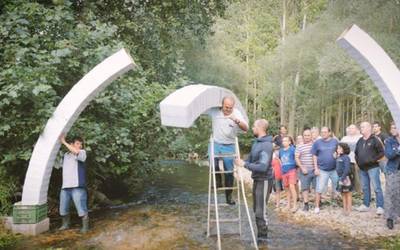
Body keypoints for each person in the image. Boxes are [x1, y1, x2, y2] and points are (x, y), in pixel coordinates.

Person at [235, 119, 273, 242]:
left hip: (265, 180)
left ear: (260, 128)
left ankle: (263, 239)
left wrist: (244, 164)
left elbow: (263, 167)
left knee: (260, 212)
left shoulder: (267, 145)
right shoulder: (256, 143)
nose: (252, 128)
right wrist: (240, 160)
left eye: (254, 126)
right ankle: (260, 238)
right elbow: (250, 160)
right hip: (257, 180)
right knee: (256, 210)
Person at [208, 96, 248, 205]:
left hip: (229, 145)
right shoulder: (215, 111)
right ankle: (218, 181)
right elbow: (202, 109)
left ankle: (228, 197)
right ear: (222, 105)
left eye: (230, 107)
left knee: (229, 172)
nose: (228, 109)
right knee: (212, 162)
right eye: (226, 107)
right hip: (215, 143)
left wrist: (236, 120)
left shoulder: (236, 113)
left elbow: (246, 128)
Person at [57, 134, 89, 233]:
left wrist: (63, 141)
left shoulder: (82, 153)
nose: (80, 146)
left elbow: (76, 151)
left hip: (77, 186)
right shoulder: (65, 155)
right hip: (65, 187)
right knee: (63, 208)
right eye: (77, 143)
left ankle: (85, 227)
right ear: (72, 144)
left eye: (81, 144)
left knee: (81, 208)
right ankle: (66, 224)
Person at [354, 122, 384, 214]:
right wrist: (358, 163)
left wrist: (372, 160)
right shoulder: (360, 140)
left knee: (377, 187)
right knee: (365, 187)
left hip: (373, 168)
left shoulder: (375, 139)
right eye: (361, 127)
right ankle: (365, 205)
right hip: (362, 169)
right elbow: (356, 153)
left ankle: (380, 206)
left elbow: (382, 152)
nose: (361, 128)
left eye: (362, 127)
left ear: (368, 128)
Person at [312, 127, 338, 214]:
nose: (323, 134)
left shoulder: (335, 141)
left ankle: (334, 202)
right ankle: (317, 206)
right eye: (322, 132)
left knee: (337, 186)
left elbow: (339, 152)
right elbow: (314, 156)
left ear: (329, 133)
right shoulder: (317, 143)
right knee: (319, 188)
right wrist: (316, 168)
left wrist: (337, 156)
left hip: (334, 169)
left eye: (325, 132)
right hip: (322, 169)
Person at [383, 122, 400, 229]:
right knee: (391, 194)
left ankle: (397, 215)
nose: (393, 130)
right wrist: (398, 150)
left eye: (395, 127)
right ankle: (389, 218)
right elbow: (389, 155)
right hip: (393, 170)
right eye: (392, 128)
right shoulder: (389, 141)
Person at [295, 128, 316, 212]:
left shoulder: (315, 144)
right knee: (305, 188)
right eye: (305, 135)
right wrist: (302, 167)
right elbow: (296, 158)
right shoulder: (299, 146)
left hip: (315, 170)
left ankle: (317, 203)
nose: (307, 137)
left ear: (311, 136)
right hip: (304, 170)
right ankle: (306, 204)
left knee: (316, 187)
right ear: (303, 136)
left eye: (308, 135)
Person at [340, 124, 362, 192]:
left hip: (357, 161)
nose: (351, 130)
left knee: (358, 178)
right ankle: (349, 191)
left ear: (356, 129)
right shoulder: (344, 138)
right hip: (347, 161)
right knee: (348, 178)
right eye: (350, 128)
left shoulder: (360, 138)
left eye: (353, 128)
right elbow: (340, 149)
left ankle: (359, 191)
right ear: (348, 130)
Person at [280, 136, 298, 212]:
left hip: (292, 170)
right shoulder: (281, 151)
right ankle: (288, 204)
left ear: (289, 142)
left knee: (292, 187)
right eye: (283, 141)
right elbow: (279, 159)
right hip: (284, 172)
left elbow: (297, 158)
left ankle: (295, 205)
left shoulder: (293, 149)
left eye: (286, 141)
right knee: (286, 188)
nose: (284, 142)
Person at [336, 143, 353, 215]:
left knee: (348, 193)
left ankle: (349, 210)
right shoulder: (339, 157)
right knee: (342, 193)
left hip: (346, 178)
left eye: (339, 148)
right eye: (337, 148)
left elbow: (347, 169)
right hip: (340, 177)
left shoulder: (346, 157)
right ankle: (344, 208)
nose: (337, 149)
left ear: (344, 149)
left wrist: (342, 178)